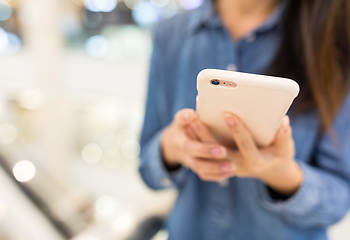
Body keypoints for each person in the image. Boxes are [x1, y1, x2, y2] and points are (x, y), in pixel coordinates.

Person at [139, 0, 350, 239]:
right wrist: (171, 149)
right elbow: (147, 168)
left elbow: (340, 199)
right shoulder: (171, 33)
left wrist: (282, 174)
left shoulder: (332, 37)